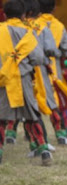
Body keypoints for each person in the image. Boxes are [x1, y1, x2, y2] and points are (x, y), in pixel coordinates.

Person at [0, 0, 51, 165]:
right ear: (23, 15)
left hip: (4, 80)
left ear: (5, 14)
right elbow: (38, 58)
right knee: (32, 115)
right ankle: (43, 150)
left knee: (1, 117)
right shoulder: (28, 33)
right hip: (24, 79)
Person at [38, 0, 67, 143]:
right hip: (54, 70)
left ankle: (35, 138)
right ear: (54, 8)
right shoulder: (59, 26)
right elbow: (66, 47)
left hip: (35, 70)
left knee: (33, 105)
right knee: (60, 101)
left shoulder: (34, 25)